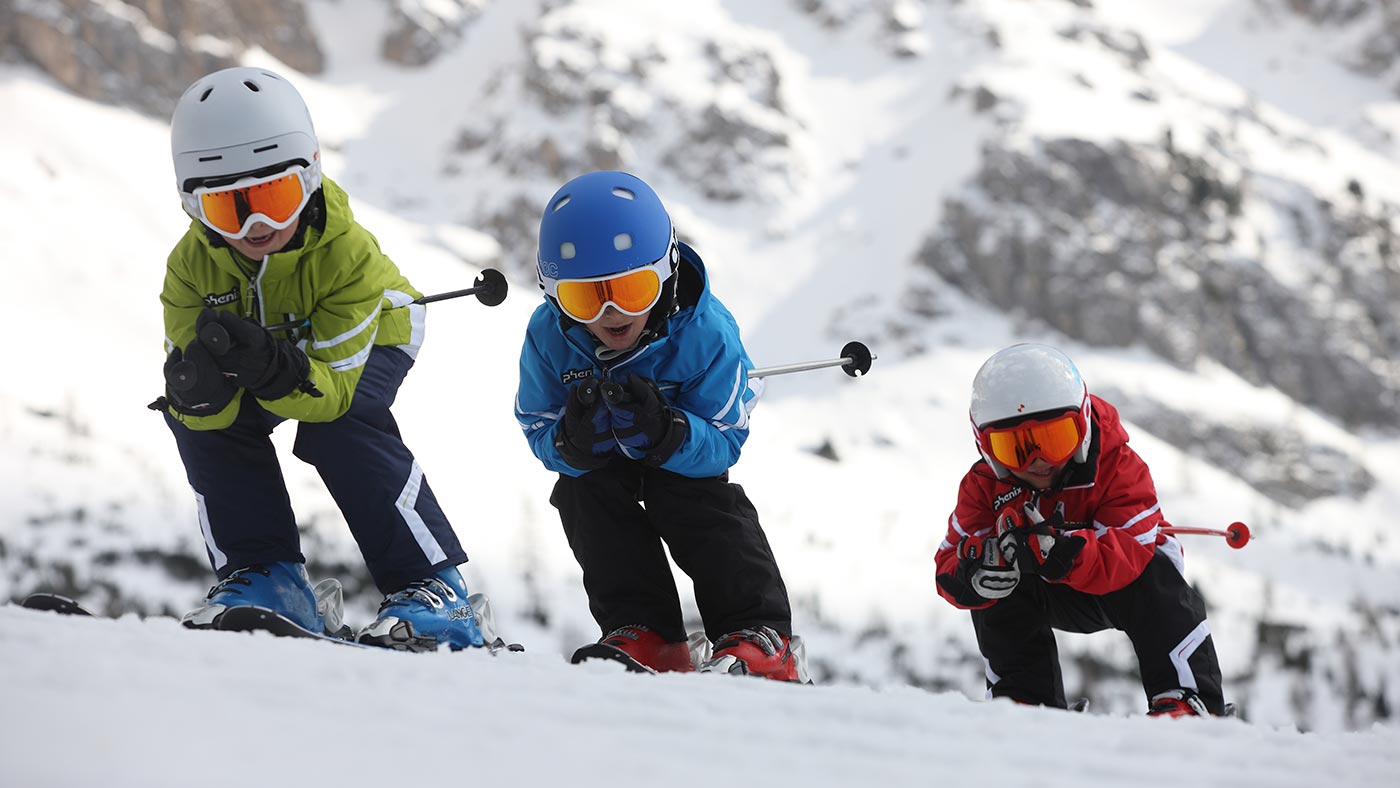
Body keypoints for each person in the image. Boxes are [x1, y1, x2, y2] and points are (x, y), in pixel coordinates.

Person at [156, 66, 492, 651]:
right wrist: (200, 398)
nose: (259, 226)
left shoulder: (347, 254)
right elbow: (197, 392)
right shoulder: (190, 267)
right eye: (228, 209)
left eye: (276, 197)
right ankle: (269, 579)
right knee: (206, 422)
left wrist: (274, 370)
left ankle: (437, 591)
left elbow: (331, 392)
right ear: (192, 205)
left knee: (340, 424)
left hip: (373, 335)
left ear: (310, 176)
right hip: (273, 355)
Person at [514, 170, 806, 681]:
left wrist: (670, 432)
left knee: (696, 498)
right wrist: (570, 444)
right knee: (584, 491)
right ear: (554, 295)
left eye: (630, 289)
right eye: (585, 297)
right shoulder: (548, 336)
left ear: (666, 271)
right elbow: (536, 421)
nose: (610, 313)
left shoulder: (705, 333)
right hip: (606, 463)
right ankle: (647, 633)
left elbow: (725, 437)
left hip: (681, 464)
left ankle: (758, 635)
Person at [935, 343, 1228, 717]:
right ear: (986, 448)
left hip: (1119, 589)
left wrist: (1066, 553)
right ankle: (1024, 699)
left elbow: (1131, 547)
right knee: (996, 578)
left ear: (1084, 424)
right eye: (1017, 448)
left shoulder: (1116, 463)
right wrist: (971, 573)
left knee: (1156, 570)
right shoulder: (983, 486)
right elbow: (949, 558)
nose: (1039, 461)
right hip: (1042, 592)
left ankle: (1185, 696)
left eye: (1056, 438)